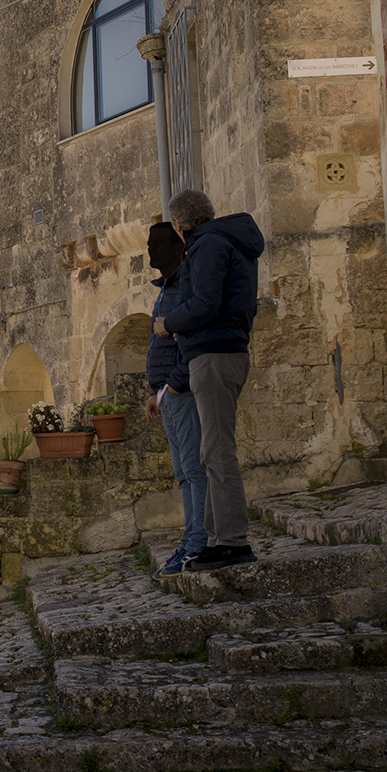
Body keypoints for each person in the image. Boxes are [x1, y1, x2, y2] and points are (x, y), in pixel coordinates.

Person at [152, 188, 265, 571]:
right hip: (221, 351)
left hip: (215, 355)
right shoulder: (223, 241)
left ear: (179, 225)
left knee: (217, 451)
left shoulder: (207, 245)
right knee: (211, 452)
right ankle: (217, 539)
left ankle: (232, 542)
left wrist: (169, 323)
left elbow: (205, 303)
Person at [143, 221, 206, 577]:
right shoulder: (167, 288)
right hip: (168, 393)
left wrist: (174, 385)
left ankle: (198, 542)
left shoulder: (184, 286)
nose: (150, 249)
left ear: (177, 246)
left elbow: (189, 340)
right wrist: (157, 392)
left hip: (180, 391)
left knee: (194, 469)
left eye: (156, 243)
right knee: (183, 472)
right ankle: (192, 538)